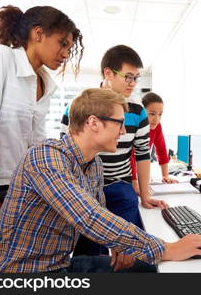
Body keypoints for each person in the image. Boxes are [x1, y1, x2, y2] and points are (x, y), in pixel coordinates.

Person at [0, 88, 201, 273]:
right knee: (160, 262)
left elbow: (98, 210)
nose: (124, 131)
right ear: (93, 123)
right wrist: (166, 248)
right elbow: (89, 217)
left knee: (154, 269)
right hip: (19, 273)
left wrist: (120, 244)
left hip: (59, 265)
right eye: (119, 122)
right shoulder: (46, 157)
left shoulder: (93, 163)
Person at [0, 5, 84, 221]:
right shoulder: (1, 58)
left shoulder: (45, 82)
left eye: (69, 47)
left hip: (19, 185)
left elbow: (36, 143)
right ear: (38, 34)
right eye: (62, 43)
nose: (66, 53)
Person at [60, 45, 166, 231]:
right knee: (91, 250)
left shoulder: (138, 112)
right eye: (128, 77)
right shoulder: (79, 107)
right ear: (108, 73)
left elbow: (142, 155)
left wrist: (145, 194)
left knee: (133, 241)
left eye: (136, 78)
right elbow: (66, 153)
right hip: (85, 189)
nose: (133, 83)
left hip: (120, 185)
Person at [130, 92, 178, 195]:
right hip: (126, 173)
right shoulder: (136, 126)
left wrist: (165, 175)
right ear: (142, 112)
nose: (156, 119)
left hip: (139, 172)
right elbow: (131, 157)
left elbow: (161, 150)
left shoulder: (157, 127)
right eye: (152, 114)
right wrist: (134, 182)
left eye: (160, 114)